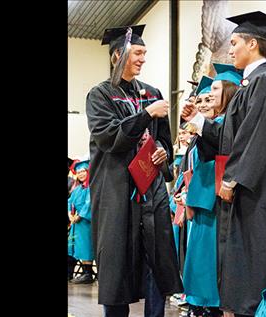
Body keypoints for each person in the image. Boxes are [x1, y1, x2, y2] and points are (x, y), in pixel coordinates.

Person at [181, 11, 266, 317]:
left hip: (259, 194)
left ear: (253, 44)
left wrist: (231, 179)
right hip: (246, 195)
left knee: (256, 265)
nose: (231, 49)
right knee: (240, 269)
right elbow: (227, 136)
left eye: (235, 42)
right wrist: (197, 120)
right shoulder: (251, 86)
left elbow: (258, 138)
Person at [86, 24, 183, 317]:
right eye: (137, 53)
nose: (143, 59)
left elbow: (164, 138)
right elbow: (108, 138)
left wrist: (165, 151)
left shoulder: (151, 92)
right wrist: (146, 115)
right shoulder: (100, 95)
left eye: (144, 54)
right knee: (117, 264)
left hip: (150, 192)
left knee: (156, 259)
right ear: (118, 55)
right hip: (116, 191)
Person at [181, 65, 241, 317]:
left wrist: (198, 120)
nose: (210, 95)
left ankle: (212, 303)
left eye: (215, 89)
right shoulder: (214, 121)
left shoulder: (230, 122)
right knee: (200, 255)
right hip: (204, 196)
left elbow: (220, 144)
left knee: (211, 255)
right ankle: (201, 302)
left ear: (228, 92)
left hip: (219, 197)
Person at [67, 159, 95, 284]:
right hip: (76, 223)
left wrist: (80, 216)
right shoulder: (77, 189)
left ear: (88, 172)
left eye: (83, 171)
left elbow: (89, 204)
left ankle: (88, 274)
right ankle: (85, 272)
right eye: (78, 172)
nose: (81, 174)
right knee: (78, 247)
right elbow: (69, 202)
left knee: (86, 246)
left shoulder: (91, 187)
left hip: (86, 222)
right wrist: (70, 214)